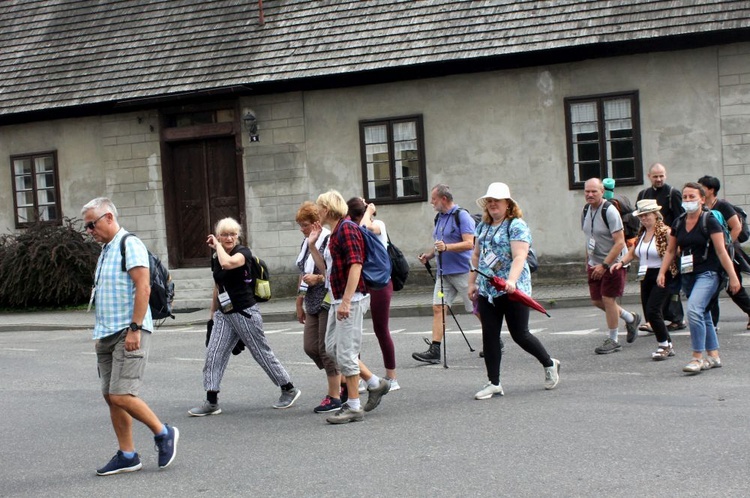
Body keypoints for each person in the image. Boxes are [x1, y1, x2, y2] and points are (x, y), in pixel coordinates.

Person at [82, 197, 178, 476]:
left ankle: (163, 432)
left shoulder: (129, 244)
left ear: (109, 217)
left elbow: (143, 287)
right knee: (111, 397)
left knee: (121, 394)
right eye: (86, 227)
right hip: (107, 333)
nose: (89, 231)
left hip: (128, 330)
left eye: (92, 224)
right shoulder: (106, 249)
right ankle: (127, 454)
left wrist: (135, 328)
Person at [188, 217, 300, 416]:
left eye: (232, 234)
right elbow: (217, 286)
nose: (229, 238)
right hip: (224, 314)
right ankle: (211, 400)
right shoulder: (215, 257)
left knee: (260, 352)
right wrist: (212, 313)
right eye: (224, 234)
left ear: (238, 235)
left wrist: (217, 247)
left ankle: (288, 388)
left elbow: (228, 263)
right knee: (214, 354)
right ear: (219, 236)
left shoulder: (242, 253)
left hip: (244, 312)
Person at [468, 183, 560, 399]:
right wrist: (472, 282)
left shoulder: (516, 225)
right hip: (488, 288)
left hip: (512, 289)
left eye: (496, 201)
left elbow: (520, 256)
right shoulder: (482, 227)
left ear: (507, 204)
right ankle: (494, 382)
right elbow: (476, 256)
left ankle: (549, 363)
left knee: (520, 334)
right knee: (489, 335)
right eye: (489, 201)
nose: (492, 205)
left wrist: (511, 280)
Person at [307, 190, 390, 424]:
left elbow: (356, 265)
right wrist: (313, 246)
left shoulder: (347, 229)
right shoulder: (335, 232)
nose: (317, 211)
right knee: (332, 349)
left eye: (319, 207)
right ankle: (375, 383)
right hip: (336, 299)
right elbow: (327, 271)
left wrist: (345, 301)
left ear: (328, 208)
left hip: (350, 300)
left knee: (345, 353)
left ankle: (354, 406)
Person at [658, 182, 740, 373]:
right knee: (704, 314)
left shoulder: (709, 220)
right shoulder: (679, 222)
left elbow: (721, 252)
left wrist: (733, 277)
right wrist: (662, 272)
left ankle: (697, 357)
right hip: (688, 275)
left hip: (709, 273)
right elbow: (671, 250)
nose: (687, 200)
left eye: (692, 197)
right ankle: (713, 355)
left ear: (702, 200)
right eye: (685, 197)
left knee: (694, 310)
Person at [414, 183, 481, 363]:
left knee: (476, 309)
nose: (431, 202)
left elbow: (469, 244)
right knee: (438, 308)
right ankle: (435, 350)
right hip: (443, 274)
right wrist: (429, 255)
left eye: (434, 199)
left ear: (444, 199)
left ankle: (494, 340)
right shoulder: (439, 218)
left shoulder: (462, 216)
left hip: (463, 273)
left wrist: (447, 247)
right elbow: (440, 244)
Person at [610, 199, 678, 360]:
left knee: (654, 310)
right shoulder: (641, 233)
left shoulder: (665, 232)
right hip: (645, 275)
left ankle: (663, 345)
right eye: (641, 216)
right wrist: (620, 263)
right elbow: (632, 252)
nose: (644, 219)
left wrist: (664, 272)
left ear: (656, 214)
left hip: (662, 274)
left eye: (647, 215)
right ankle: (668, 344)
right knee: (650, 312)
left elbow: (673, 252)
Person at [581, 178, 641, 354]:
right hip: (595, 262)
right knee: (597, 300)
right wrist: (588, 262)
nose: (590, 194)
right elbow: (588, 239)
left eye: (594, 191)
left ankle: (614, 339)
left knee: (608, 299)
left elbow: (620, 243)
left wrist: (605, 265)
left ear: (602, 192)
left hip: (613, 263)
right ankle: (631, 318)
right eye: (587, 191)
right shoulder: (586, 210)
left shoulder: (610, 211)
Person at [347, 197, 400, 391]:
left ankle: (392, 377)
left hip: (380, 282)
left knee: (381, 329)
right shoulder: (351, 226)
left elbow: (366, 227)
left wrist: (369, 212)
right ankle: (358, 377)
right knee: (354, 332)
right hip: (362, 282)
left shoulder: (376, 224)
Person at [294, 202, 340, 413]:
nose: (301, 229)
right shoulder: (306, 242)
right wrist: (299, 300)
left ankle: (334, 395)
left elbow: (333, 271)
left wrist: (319, 278)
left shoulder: (328, 239)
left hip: (326, 298)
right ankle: (346, 377)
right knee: (310, 347)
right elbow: (303, 271)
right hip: (311, 299)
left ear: (315, 224)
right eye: (300, 226)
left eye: (304, 225)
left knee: (325, 349)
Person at [637, 163, 686, 332]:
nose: (658, 179)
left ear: (665, 175)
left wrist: (676, 243)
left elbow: (681, 218)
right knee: (650, 285)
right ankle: (653, 319)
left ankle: (676, 318)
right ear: (649, 176)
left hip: (669, 243)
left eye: (661, 176)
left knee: (671, 286)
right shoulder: (644, 194)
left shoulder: (673, 193)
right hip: (649, 244)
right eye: (655, 176)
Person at [697, 175, 750, 330]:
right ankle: (711, 324)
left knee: (733, 288)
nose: (699, 190)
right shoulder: (700, 206)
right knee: (712, 288)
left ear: (711, 190)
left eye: (702, 187)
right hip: (709, 255)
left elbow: (737, 227)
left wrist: (725, 247)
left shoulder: (723, 206)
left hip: (726, 254)